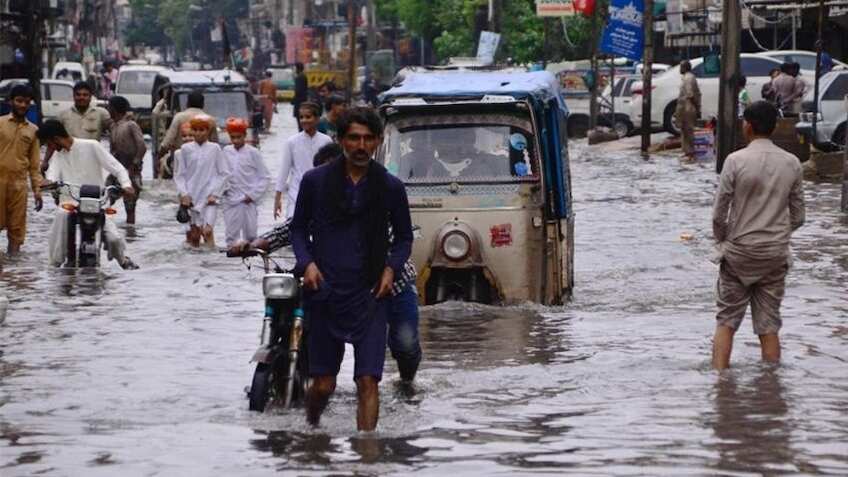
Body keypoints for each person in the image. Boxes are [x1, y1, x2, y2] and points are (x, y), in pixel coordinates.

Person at [247, 141, 423, 384]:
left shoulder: (379, 193)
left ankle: (406, 383)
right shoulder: (319, 194)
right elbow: (294, 227)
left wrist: (386, 264)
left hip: (392, 284)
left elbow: (400, 236)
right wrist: (257, 243)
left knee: (404, 344)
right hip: (340, 282)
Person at [291, 107, 413, 431]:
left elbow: (403, 239)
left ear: (377, 142)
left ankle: (367, 456)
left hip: (371, 293)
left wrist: (391, 270)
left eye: (368, 139)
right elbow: (298, 230)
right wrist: (308, 264)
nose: (361, 146)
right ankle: (312, 432)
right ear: (341, 140)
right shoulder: (314, 181)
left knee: (368, 382)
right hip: (325, 292)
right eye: (354, 138)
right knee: (323, 385)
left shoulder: (390, 187)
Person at [711, 101, 805, 370]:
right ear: (774, 127)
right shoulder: (792, 163)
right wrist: (777, 234)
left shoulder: (735, 161)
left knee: (726, 321)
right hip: (775, 255)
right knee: (769, 324)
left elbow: (719, 214)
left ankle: (719, 385)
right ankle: (770, 389)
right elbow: (798, 216)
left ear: (748, 126)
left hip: (739, 253)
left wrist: (724, 240)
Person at [38, 120, 138, 270]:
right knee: (59, 227)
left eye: (48, 144)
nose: (49, 148)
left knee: (114, 238)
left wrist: (126, 185)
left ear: (55, 139)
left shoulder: (91, 146)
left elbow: (117, 168)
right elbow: (52, 175)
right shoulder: (58, 156)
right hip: (69, 203)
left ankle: (122, 259)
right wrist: (46, 182)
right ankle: (55, 264)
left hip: (97, 201)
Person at [174, 115, 230, 248]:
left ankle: (212, 263)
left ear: (208, 131)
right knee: (194, 236)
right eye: (196, 130)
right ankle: (196, 266)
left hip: (209, 196)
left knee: (208, 231)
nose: (199, 133)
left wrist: (215, 194)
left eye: (202, 130)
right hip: (192, 197)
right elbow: (180, 175)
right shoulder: (185, 150)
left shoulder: (215, 148)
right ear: (192, 131)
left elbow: (224, 173)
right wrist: (184, 194)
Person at [0, 84, 43, 255]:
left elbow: (34, 165)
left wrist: (37, 191)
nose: (22, 105)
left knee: (16, 231)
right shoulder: (0, 124)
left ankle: (14, 272)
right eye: (19, 101)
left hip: (19, 186)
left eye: (26, 102)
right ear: (11, 102)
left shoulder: (33, 131)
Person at [274, 102, 333, 220]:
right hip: (296, 193)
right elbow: (283, 171)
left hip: (320, 193)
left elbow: (331, 170)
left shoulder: (326, 141)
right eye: (301, 117)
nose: (304, 120)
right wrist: (277, 199)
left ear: (317, 119)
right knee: (294, 227)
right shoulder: (292, 142)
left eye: (308, 117)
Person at [222, 118, 270, 249]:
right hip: (230, 200)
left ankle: (250, 264)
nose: (236, 140)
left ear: (245, 135)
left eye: (239, 137)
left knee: (251, 235)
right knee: (231, 237)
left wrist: (253, 195)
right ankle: (231, 265)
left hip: (248, 200)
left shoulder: (253, 152)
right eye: (233, 137)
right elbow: (222, 175)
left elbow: (265, 177)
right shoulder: (226, 151)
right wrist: (223, 190)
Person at [107, 96, 146, 224]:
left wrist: (135, 163)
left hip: (131, 169)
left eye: (109, 107)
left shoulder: (131, 125)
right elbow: (112, 150)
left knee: (130, 205)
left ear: (114, 109)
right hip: (116, 169)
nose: (108, 110)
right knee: (106, 198)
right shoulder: (113, 126)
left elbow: (142, 146)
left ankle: (130, 232)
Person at [159, 91, 220, 158]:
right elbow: (215, 143)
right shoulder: (210, 120)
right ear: (203, 104)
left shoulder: (179, 117)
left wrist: (159, 157)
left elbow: (167, 142)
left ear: (187, 103)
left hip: (180, 158)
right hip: (204, 160)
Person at [675, 60, 701, 162]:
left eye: (681, 67)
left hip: (688, 107)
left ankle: (691, 153)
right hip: (684, 107)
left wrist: (697, 108)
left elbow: (690, 95)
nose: (679, 69)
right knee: (684, 130)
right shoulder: (686, 77)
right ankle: (687, 152)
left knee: (688, 130)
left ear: (685, 67)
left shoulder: (689, 78)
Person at [292, 62, 308, 131]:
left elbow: (298, 91)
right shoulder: (303, 76)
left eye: (294, 68)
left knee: (300, 123)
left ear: (297, 68)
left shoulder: (299, 77)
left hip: (299, 102)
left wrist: (293, 100)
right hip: (303, 101)